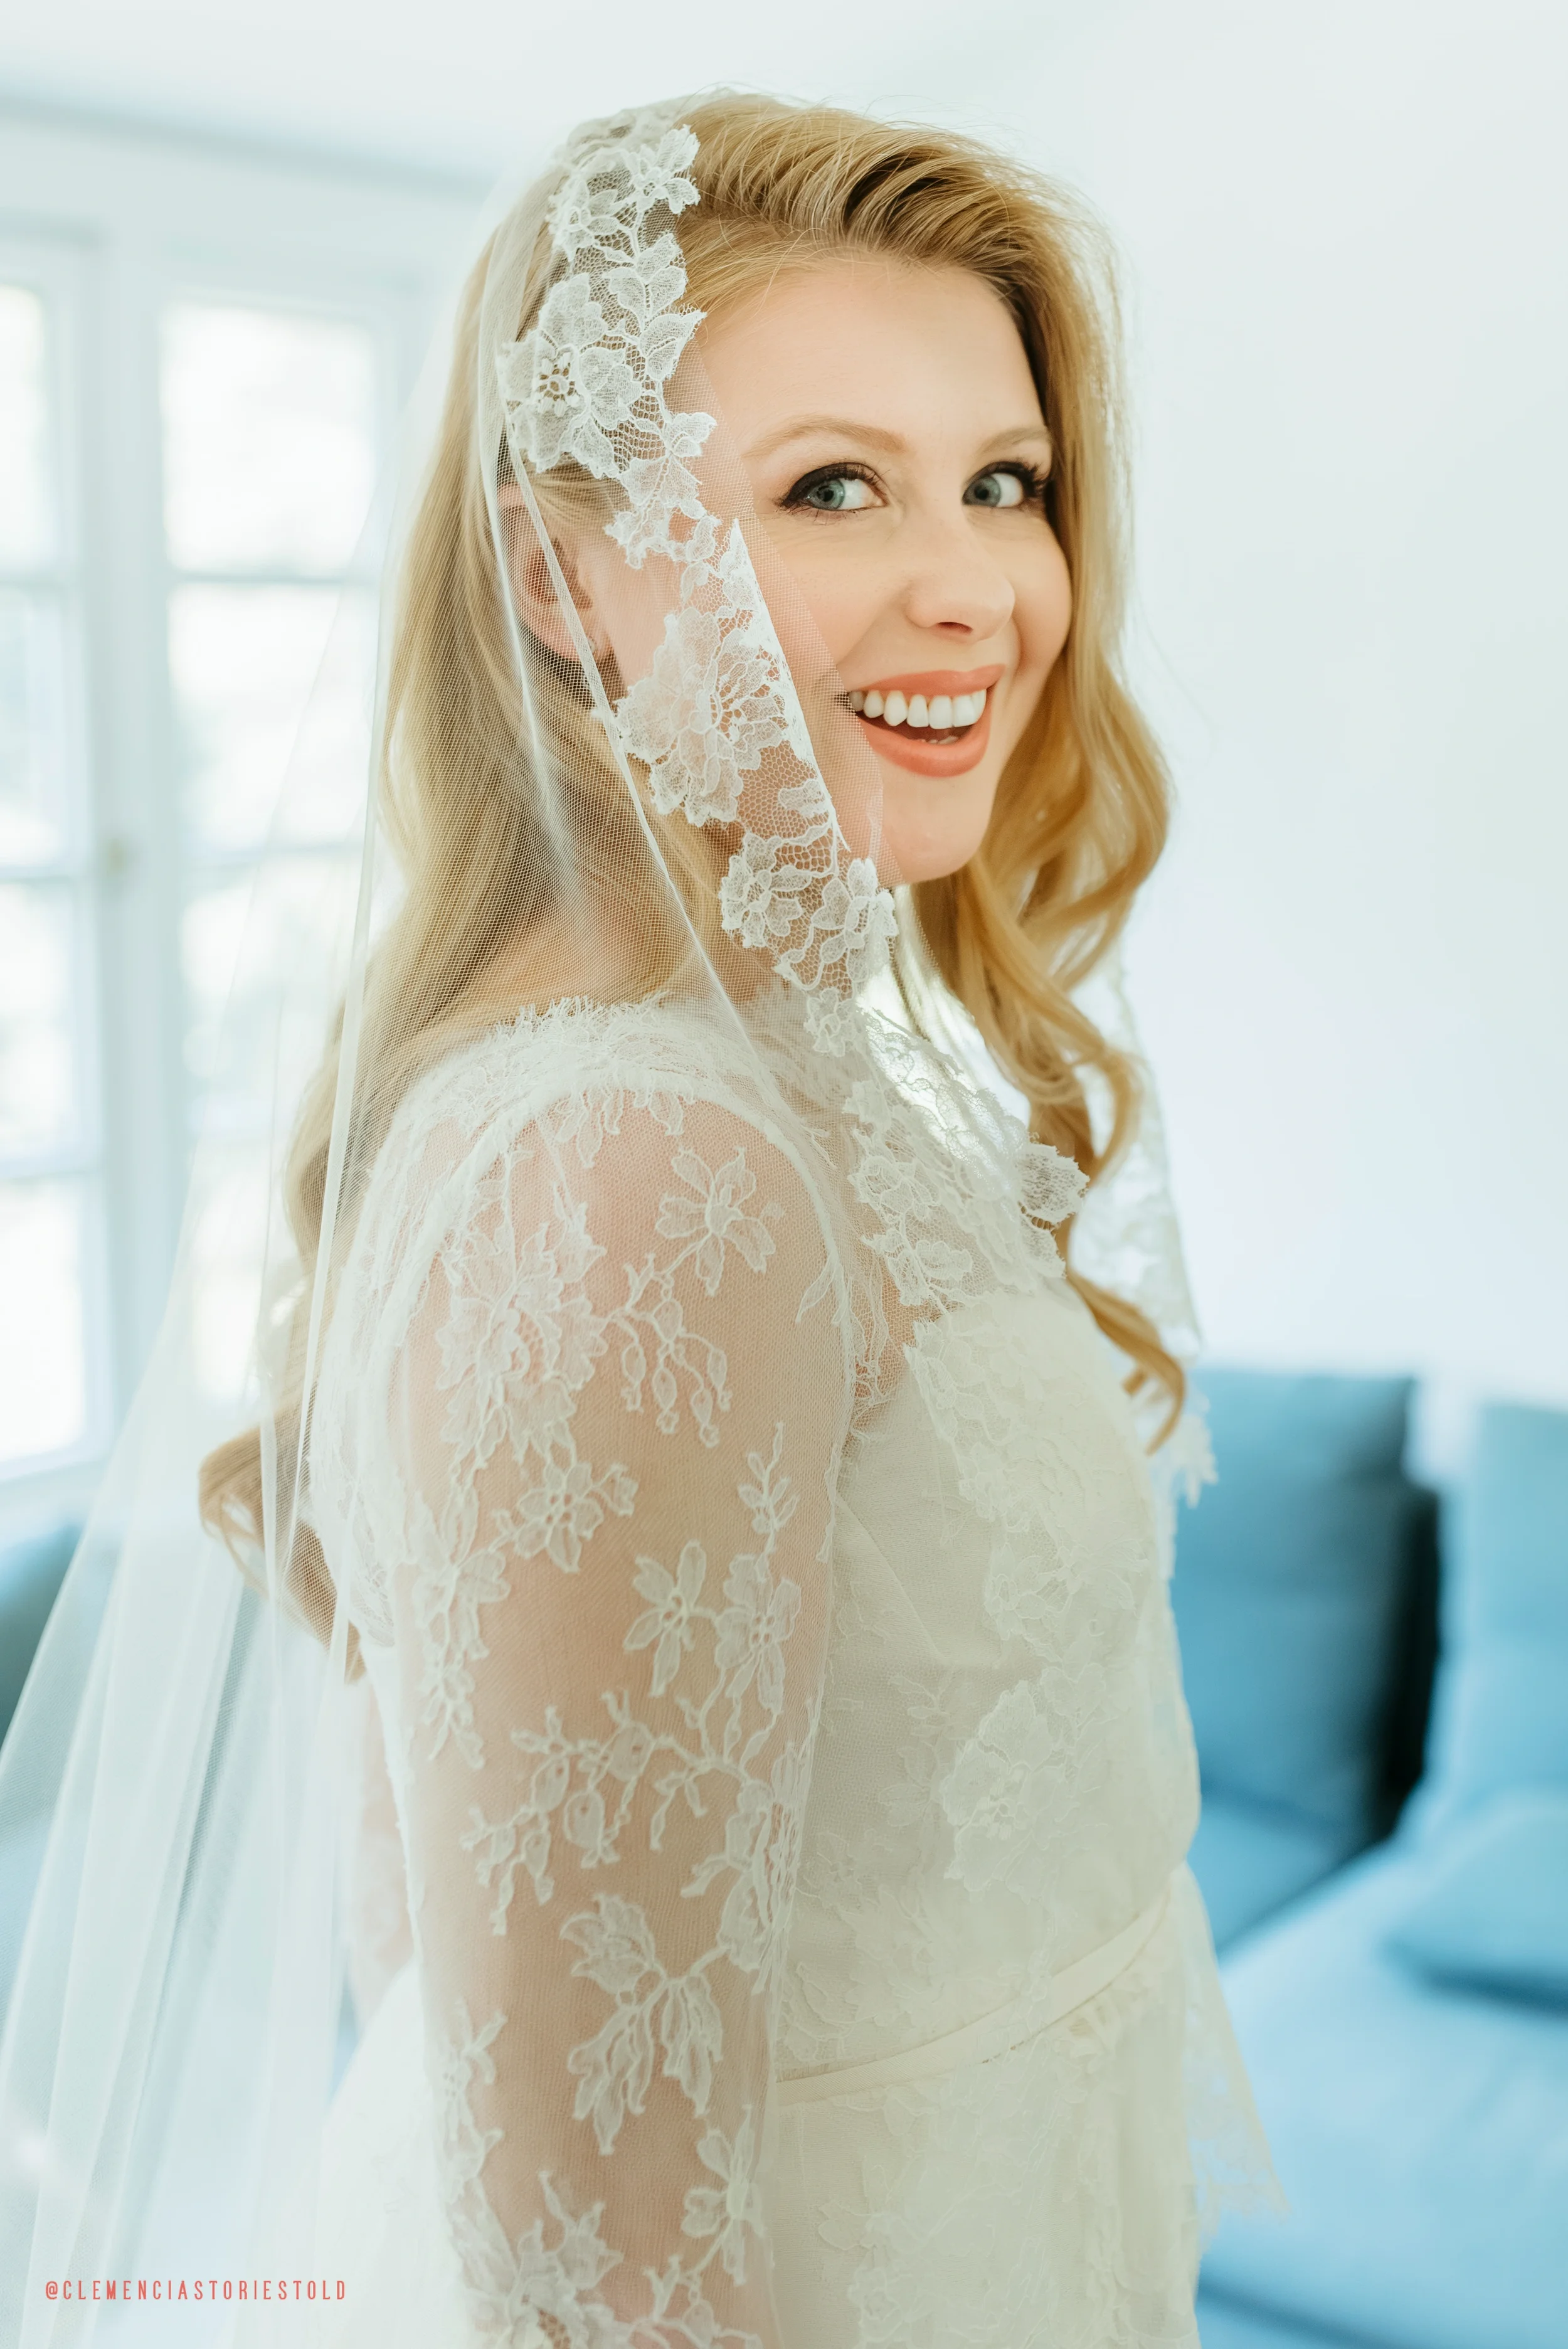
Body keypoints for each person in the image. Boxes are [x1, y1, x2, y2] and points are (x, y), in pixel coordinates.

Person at [0, 90, 1278, 2349]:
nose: (972, 585)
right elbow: (591, 2278)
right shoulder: (639, 1175)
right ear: (556, 578)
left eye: (1003, 480)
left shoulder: (760, 1065)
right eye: (826, 488)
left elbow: (434, 1914)